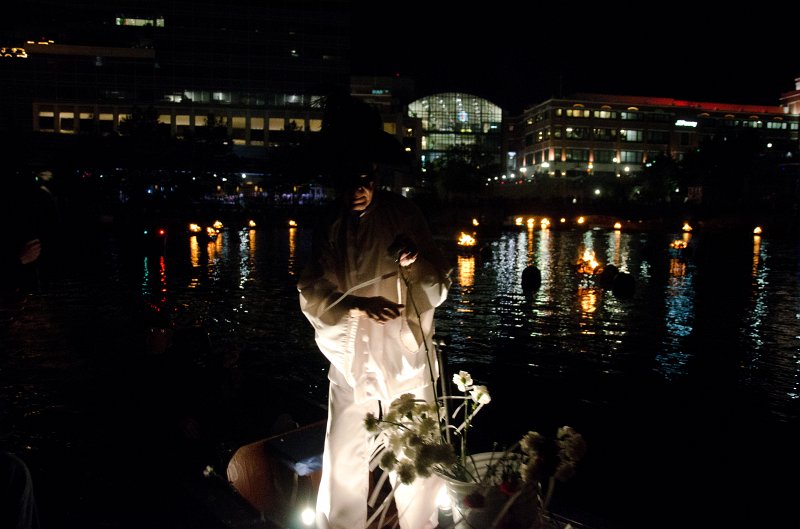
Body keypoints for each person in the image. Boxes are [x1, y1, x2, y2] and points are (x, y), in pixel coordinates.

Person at [297, 94, 452, 529]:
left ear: (377, 175)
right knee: (345, 447)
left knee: (414, 447)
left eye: (364, 179)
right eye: (349, 179)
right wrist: (356, 305)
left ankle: (421, 523)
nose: (357, 190)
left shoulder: (404, 214)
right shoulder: (328, 225)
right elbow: (312, 287)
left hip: (402, 351)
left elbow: (436, 282)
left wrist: (414, 259)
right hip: (351, 355)